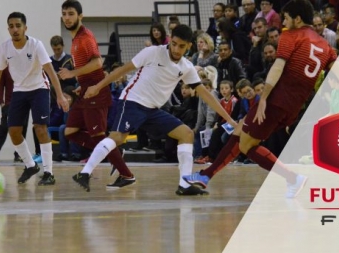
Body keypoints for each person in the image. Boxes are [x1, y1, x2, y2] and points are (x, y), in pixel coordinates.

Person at [183, 0, 339, 198]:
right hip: (292, 107)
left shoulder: (291, 35)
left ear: (297, 19)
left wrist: (263, 97)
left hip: (275, 101)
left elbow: (278, 66)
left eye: (287, 17)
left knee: (246, 145)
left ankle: (292, 178)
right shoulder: (325, 46)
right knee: (241, 132)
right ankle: (206, 176)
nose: (284, 21)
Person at [72, 24, 238, 195]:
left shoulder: (186, 67)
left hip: (152, 110)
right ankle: (84, 173)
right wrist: (98, 87)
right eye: (174, 43)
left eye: (181, 46)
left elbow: (207, 95)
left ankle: (184, 184)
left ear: (189, 46)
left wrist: (231, 120)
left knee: (186, 134)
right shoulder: (153, 52)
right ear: (170, 39)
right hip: (132, 102)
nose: (176, 49)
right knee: (117, 137)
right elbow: (123, 69)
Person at [0, 12, 69, 185]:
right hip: (19, 91)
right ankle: (30, 165)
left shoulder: (36, 45)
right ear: (8, 29)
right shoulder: (4, 48)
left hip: (39, 88)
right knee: (13, 131)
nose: (15, 29)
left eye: (18, 25)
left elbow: (50, 71)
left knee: (40, 128)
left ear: (25, 28)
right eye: (11, 26)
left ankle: (48, 172)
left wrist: (60, 95)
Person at [59, 0, 134, 188]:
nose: (67, 18)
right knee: (69, 131)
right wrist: (80, 84)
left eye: (71, 14)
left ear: (80, 16)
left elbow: (97, 63)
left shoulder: (85, 37)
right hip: (85, 90)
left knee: (99, 136)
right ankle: (112, 150)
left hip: (96, 91)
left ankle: (127, 175)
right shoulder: (75, 38)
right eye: (65, 14)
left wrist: (72, 74)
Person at [0, 67, 29, 163]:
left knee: (22, 129)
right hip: (9, 103)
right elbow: (1, 85)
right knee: (4, 128)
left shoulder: (25, 65)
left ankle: (19, 155)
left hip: (24, 102)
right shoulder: (5, 67)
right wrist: (1, 101)